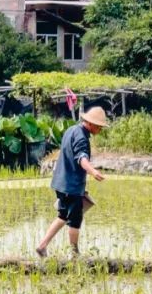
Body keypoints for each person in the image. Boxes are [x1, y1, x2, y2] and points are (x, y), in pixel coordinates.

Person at [36, 106, 109, 257]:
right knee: (75, 220)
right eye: (99, 126)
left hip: (61, 183)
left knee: (63, 215)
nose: (100, 130)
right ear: (91, 123)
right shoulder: (82, 138)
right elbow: (81, 158)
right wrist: (93, 171)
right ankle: (75, 254)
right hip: (71, 186)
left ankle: (42, 246)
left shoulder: (71, 130)